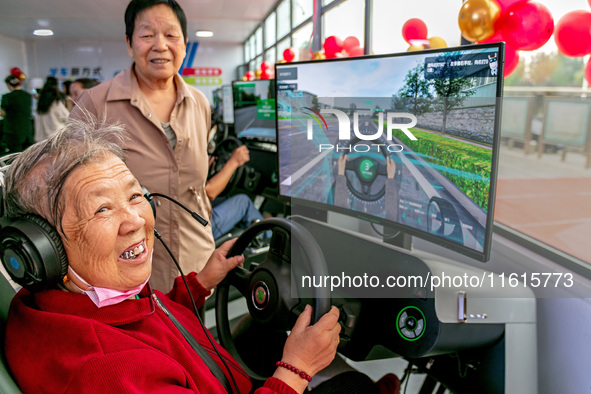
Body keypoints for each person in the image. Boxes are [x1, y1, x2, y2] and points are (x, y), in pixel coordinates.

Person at [2, 117, 364, 393]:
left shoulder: (60, 303)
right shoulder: (108, 372)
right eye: (101, 210)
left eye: (133, 196)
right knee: (353, 382)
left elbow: (147, 324)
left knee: (259, 332)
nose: (136, 220)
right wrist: (296, 369)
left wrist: (199, 284)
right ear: (41, 249)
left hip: (213, 371)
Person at [71, 0, 214, 292]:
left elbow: (197, 188)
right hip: (127, 272)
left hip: (196, 263)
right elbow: (72, 194)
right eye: (147, 35)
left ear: (185, 44)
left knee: (196, 337)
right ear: (129, 43)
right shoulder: (95, 104)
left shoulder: (199, 103)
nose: (160, 45)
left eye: (171, 35)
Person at [207, 144, 265, 239]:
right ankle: (270, 237)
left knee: (226, 199)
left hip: (185, 213)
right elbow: (210, 192)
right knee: (243, 202)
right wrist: (234, 162)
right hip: (196, 225)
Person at [0, 74, 33, 154]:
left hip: (13, 132)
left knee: (15, 156)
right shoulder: (28, 96)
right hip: (27, 130)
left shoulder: (7, 97)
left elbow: (2, 113)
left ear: (8, 85)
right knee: (27, 156)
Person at [34, 76, 69, 142]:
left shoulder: (39, 104)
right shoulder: (56, 104)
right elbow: (68, 118)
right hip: (55, 138)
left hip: (41, 139)